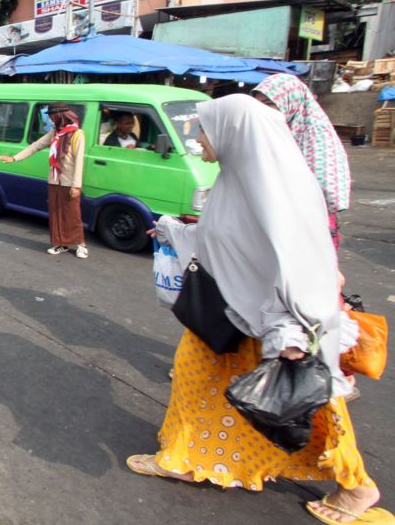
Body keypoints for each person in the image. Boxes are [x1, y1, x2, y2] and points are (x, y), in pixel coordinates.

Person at [127, 95, 387, 525]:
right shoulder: (237, 179)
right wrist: (173, 230)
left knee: (308, 407)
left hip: (280, 329)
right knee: (197, 387)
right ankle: (184, 457)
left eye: (204, 131)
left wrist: (290, 335)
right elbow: (222, 245)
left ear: (234, 132)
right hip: (230, 315)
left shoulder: (279, 190)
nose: (197, 142)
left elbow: (302, 266)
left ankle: (357, 487)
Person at [251, 73, 351, 250]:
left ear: (290, 101)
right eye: (257, 105)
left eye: (268, 104)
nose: (262, 111)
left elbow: (329, 193)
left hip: (309, 228)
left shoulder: (314, 133)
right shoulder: (280, 130)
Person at [0, 103, 88, 259]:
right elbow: (35, 146)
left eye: (52, 117)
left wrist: (76, 185)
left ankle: (80, 244)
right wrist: (14, 158)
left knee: (72, 214)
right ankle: (61, 243)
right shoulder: (55, 133)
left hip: (69, 183)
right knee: (56, 215)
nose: (51, 120)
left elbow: (79, 162)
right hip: (54, 180)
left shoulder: (77, 134)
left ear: (60, 116)